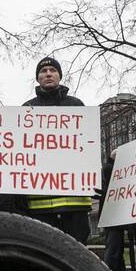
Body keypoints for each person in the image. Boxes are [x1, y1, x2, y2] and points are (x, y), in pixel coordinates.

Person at [22, 56, 93, 244]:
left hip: (75, 203)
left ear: (59, 76)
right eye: (43, 72)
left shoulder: (76, 105)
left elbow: (88, 145)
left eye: (52, 70)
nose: (48, 74)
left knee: (77, 254)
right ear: (38, 79)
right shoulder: (27, 109)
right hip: (39, 202)